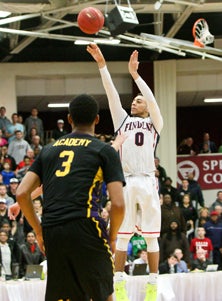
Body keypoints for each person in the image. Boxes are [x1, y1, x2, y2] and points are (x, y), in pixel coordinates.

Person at [16, 94, 125, 301]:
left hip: (53, 230)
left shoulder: (48, 151)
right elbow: (118, 204)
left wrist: (39, 231)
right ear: (97, 119)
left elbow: (22, 193)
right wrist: (111, 236)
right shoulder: (103, 150)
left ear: (69, 119)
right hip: (86, 226)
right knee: (103, 295)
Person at [87, 43, 163, 301]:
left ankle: (153, 284)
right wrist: (102, 66)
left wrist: (136, 76)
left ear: (147, 107)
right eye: (134, 99)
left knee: (152, 237)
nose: (135, 101)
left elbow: (151, 99)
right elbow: (111, 94)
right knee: (122, 236)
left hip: (148, 180)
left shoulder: (155, 123)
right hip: (127, 181)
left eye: (138, 100)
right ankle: (119, 283)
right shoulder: (122, 120)